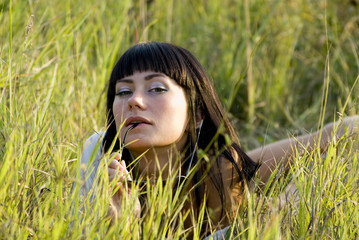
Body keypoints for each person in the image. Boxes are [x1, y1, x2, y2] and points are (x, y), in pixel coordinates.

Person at [77, 42, 358, 239]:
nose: (135, 101)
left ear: (197, 114)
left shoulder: (218, 177)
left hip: (214, 178)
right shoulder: (99, 155)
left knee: (287, 203)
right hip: (207, 169)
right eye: (123, 91)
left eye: (157, 88)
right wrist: (121, 226)